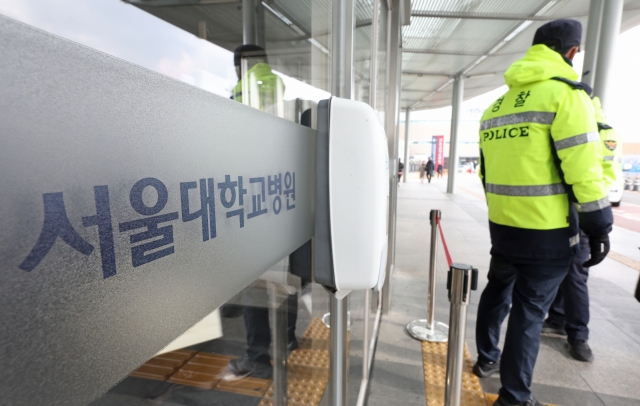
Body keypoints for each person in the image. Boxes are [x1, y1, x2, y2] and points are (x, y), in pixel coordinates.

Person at [473, 19, 613, 406]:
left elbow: (486, 172)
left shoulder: (495, 105)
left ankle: (486, 359)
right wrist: (599, 224)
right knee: (530, 312)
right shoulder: (568, 96)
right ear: (571, 52)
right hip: (547, 231)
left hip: (503, 225)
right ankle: (514, 397)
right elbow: (583, 168)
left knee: (497, 290)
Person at [542, 96, 623, 362]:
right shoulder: (567, 122)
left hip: (584, 213)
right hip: (557, 211)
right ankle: (557, 317)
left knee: (576, 274)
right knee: (560, 269)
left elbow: (604, 176)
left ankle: (579, 335)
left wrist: (592, 215)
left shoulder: (603, 132)